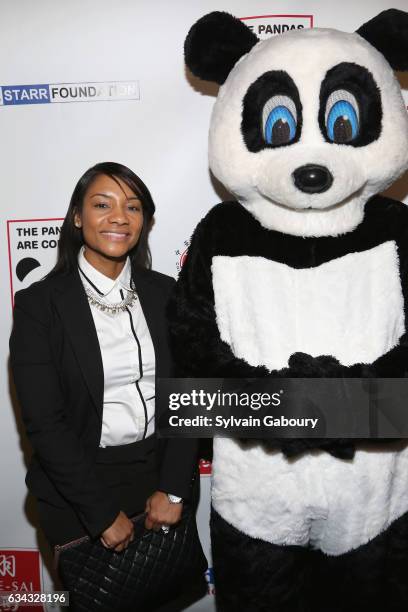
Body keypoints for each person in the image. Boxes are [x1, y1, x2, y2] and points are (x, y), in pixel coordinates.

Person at [9, 162, 198, 580]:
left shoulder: (168, 294)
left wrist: (173, 488)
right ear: (78, 217)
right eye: (102, 204)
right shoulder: (40, 307)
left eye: (132, 207)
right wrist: (98, 513)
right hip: (78, 490)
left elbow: (188, 393)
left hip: (160, 477)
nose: (119, 217)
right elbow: (45, 423)